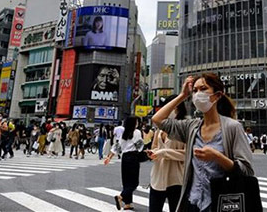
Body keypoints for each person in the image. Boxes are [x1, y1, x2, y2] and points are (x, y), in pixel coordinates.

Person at [152, 74, 254, 212]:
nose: (198, 94)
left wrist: (217, 156)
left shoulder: (233, 127)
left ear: (217, 95)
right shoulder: (192, 127)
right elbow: (157, 119)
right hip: (192, 202)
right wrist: (182, 95)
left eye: (203, 89)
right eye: (195, 91)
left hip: (220, 202)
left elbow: (246, 170)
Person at [148, 97, 187, 212]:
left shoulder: (185, 128)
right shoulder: (160, 129)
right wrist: (153, 153)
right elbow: (155, 147)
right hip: (158, 177)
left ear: (179, 108)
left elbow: (187, 154)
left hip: (177, 178)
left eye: (172, 107)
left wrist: (164, 153)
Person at [104, 116, 144, 211]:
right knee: (134, 183)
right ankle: (121, 196)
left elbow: (117, 147)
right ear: (133, 124)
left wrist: (109, 157)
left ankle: (128, 204)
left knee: (126, 182)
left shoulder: (124, 134)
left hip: (125, 158)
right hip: (133, 157)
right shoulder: (137, 132)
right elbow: (140, 146)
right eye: (136, 122)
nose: (137, 123)